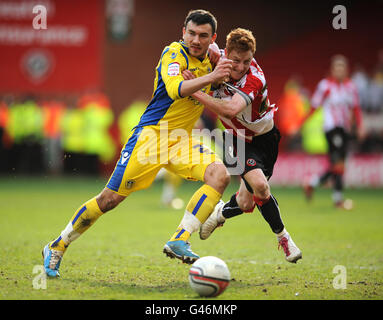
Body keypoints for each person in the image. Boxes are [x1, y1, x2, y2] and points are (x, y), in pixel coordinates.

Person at [42, 9, 233, 277]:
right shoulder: (174, 54)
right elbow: (175, 89)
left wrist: (219, 67)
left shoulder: (215, 60)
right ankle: (57, 245)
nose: (196, 40)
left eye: (203, 35)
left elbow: (232, 80)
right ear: (183, 32)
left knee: (219, 175)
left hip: (181, 140)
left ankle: (179, 238)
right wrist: (211, 78)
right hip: (151, 138)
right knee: (109, 200)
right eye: (191, 33)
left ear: (212, 37)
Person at [182, 28, 302, 263]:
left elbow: (230, 109)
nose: (240, 67)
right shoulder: (217, 57)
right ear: (227, 53)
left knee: (247, 202)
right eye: (236, 60)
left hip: (266, 139)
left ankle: (220, 212)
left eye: (247, 61)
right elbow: (193, 44)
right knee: (262, 187)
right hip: (235, 139)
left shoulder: (254, 79)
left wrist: (195, 90)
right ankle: (284, 238)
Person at [302, 55, 365, 209]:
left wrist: (360, 125)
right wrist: (302, 122)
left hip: (344, 129)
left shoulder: (350, 86)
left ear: (346, 70)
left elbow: (355, 108)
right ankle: (338, 200)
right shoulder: (325, 86)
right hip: (331, 129)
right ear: (332, 70)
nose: (340, 70)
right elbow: (314, 105)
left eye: (342, 68)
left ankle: (312, 183)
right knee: (338, 163)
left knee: (339, 165)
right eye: (337, 68)